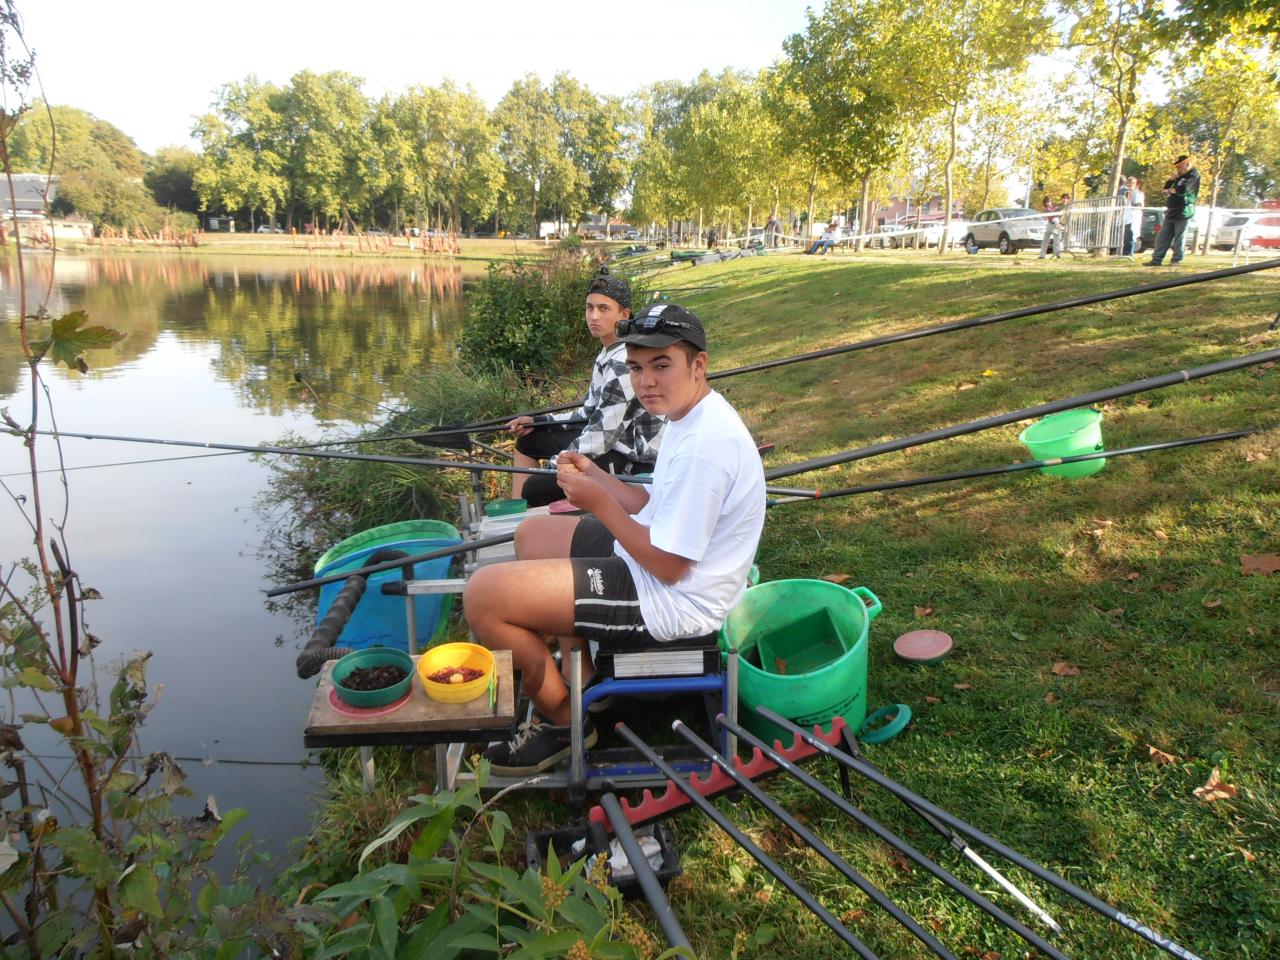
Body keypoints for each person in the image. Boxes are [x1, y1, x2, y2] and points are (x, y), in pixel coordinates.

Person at [466, 303, 766, 774]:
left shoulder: (708, 446)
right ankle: (580, 674)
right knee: (534, 534)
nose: (646, 382)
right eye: (636, 368)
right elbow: (654, 506)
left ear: (698, 365)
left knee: (483, 597)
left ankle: (564, 722)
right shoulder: (690, 413)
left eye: (661, 366)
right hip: (654, 561)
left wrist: (598, 502)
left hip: (674, 601)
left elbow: (669, 566)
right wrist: (598, 479)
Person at [508, 275, 663, 507]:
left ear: (624, 315)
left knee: (535, 488)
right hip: (611, 440)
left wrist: (558, 464)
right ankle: (516, 515)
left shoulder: (623, 364)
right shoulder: (607, 352)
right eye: (589, 308)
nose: (594, 316)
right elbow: (587, 412)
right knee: (529, 440)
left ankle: (526, 521)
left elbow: (601, 437)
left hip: (632, 457)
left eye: (603, 309)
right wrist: (539, 421)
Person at [1146, 155, 1200, 266]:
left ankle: (1176, 260)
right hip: (1171, 210)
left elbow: (1183, 190)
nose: (1178, 169)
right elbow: (1166, 188)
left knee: (1179, 237)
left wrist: (1171, 190)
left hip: (1184, 211)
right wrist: (1171, 180)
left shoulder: (1193, 176)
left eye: (1179, 167)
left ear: (1187, 164)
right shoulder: (1179, 177)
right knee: (1163, 236)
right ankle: (1156, 259)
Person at [1123, 176, 1144, 258]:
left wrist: (1131, 204)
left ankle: (1129, 252)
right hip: (1127, 216)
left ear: (1135, 184)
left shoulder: (1138, 193)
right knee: (1126, 233)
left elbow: (1140, 204)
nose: (1130, 185)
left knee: (1131, 234)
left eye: (1132, 184)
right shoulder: (1126, 192)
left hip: (1134, 215)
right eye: (1128, 183)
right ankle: (1125, 252)